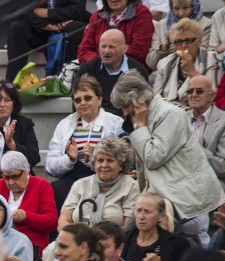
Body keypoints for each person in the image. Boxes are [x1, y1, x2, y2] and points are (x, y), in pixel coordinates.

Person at [111, 70, 225, 240]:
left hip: (184, 199)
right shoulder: (145, 116)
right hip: (162, 195)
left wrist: (140, 127)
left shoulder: (170, 114)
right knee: (130, 237)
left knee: (136, 235)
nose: (125, 113)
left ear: (139, 100)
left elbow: (153, 158)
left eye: (126, 106)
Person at [45, 75, 124, 211]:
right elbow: (50, 167)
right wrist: (69, 159)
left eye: (87, 98)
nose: (82, 103)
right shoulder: (65, 124)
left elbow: (124, 160)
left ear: (99, 99)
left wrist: (94, 159)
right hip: (72, 177)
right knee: (54, 189)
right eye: (77, 100)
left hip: (105, 179)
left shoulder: (116, 123)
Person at [58, 137, 139, 231]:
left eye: (110, 160)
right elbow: (63, 221)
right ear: (94, 164)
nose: (104, 165)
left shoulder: (132, 187)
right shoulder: (80, 184)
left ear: (121, 165)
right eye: (100, 160)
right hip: (77, 240)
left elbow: (128, 228)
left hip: (111, 242)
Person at [0, 151, 58, 256]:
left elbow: (51, 222)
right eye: (6, 177)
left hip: (29, 246)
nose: (10, 182)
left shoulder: (41, 185)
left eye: (15, 177)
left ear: (26, 171)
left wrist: (26, 217)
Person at [4, 0, 91, 82]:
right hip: (41, 27)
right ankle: (13, 84)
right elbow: (21, 10)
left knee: (76, 28)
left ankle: (70, 79)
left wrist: (47, 13)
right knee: (17, 28)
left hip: (68, 25)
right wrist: (49, 26)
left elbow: (77, 11)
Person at [77, 29, 150, 116]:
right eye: (103, 46)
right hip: (95, 122)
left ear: (124, 48)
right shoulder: (87, 70)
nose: (106, 51)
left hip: (127, 122)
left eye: (111, 47)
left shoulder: (138, 71)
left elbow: (142, 105)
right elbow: (78, 102)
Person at [153, 18, 222, 108]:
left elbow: (212, 96)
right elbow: (156, 99)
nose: (183, 45)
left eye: (188, 41)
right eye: (178, 42)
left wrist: (192, 71)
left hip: (197, 111)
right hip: (169, 113)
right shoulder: (164, 63)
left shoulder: (211, 59)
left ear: (199, 41)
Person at [186, 75, 225, 188]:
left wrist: (193, 148)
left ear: (212, 96)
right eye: (190, 91)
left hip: (215, 181)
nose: (194, 95)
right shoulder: (181, 119)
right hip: (185, 178)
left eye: (199, 91)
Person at [77, 0, 155, 67]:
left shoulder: (142, 14)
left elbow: (138, 51)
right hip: (97, 69)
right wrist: (100, 63)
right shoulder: (97, 17)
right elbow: (83, 51)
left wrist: (105, 58)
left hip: (129, 72)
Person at [145, 0, 212, 71]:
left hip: (196, 70)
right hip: (164, 72)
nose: (181, 14)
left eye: (185, 8)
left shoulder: (205, 25)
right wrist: (165, 47)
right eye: (176, 9)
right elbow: (151, 63)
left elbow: (204, 56)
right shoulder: (162, 25)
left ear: (193, 7)